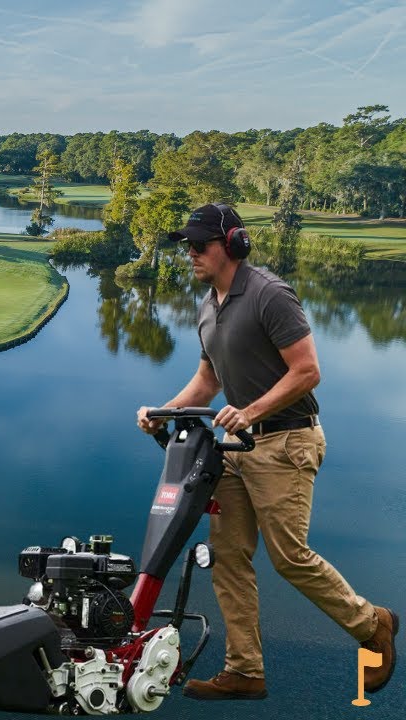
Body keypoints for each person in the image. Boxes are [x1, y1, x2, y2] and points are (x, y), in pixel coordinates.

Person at [135, 203, 396, 700]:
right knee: (227, 555)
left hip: (287, 441)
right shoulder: (209, 304)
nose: (189, 254)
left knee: (290, 557)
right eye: (186, 246)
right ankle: (245, 670)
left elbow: (307, 371)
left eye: (200, 246)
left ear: (232, 245)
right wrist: (164, 411)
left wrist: (251, 411)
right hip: (236, 445)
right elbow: (209, 380)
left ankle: (373, 624)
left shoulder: (270, 295)